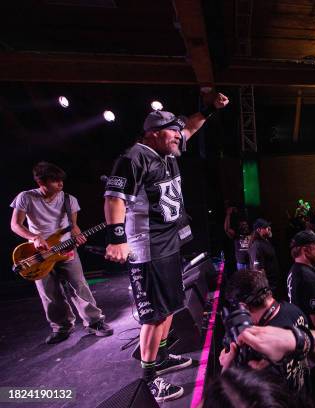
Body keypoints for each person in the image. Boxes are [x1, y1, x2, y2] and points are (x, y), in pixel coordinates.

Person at [103, 91, 229, 402]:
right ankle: (149, 378)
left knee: (172, 306)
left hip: (168, 244)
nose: (180, 137)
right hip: (146, 249)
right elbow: (114, 199)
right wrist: (117, 238)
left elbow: (192, 128)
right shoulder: (133, 158)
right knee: (153, 315)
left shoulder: (167, 150)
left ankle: (159, 356)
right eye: (174, 132)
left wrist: (209, 109)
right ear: (155, 133)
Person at [10, 162, 113, 344]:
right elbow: (15, 225)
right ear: (41, 182)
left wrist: (78, 235)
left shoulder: (69, 199)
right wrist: (34, 237)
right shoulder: (25, 197)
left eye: (61, 180)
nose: (60, 184)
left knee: (79, 286)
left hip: (65, 248)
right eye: (55, 181)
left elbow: (73, 226)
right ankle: (61, 327)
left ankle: (95, 322)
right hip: (38, 253)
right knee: (49, 293)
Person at [248, 218, 282, 299]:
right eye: (266, 227)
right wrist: (265, 289)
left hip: (274, 284)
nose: (269, 228)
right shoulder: (257, 246)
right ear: (259, 230)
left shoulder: (265, 241)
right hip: (269, 287)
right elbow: (258, 270)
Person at [224, 206, 250, 272]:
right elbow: (227, 229)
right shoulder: (236, 235)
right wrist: (228, 215)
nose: (245, 226)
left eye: (246, 225)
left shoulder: (251, 235)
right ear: (240, 227)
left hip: (250, 262)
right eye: (242, 225)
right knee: (242, 281)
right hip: (241, 264)